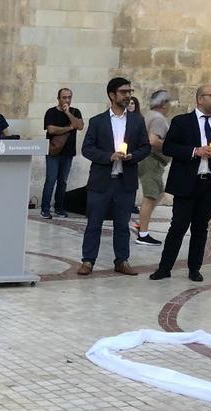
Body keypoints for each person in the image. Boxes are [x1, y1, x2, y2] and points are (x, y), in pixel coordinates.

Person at [149, 84, 211, 282]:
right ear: (200, 99)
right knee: (178, 226)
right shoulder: (182, 122)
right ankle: (164, 268)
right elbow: (170, 147)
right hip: (187, 182)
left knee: (201, 228)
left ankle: (194, 268)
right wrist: (195, 151)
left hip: (210, 183)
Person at [77, 77, 151, 276]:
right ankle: (88, 260)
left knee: (122, 224)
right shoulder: (97, 121)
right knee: (94, 223)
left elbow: (146, 148)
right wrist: (108, 156)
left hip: (125, 182)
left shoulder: (137, 121)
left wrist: (132, 156)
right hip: (101, 181)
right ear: (112, 95)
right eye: (124, 92)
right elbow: (87, 149)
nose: (128, 95)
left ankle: (122, 260)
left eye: (130, 91)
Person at [135, 89, 171, 247]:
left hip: (150, 160)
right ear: (163, 104)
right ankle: (143, 233)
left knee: (158, 193)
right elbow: (153, 140)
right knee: (151, 196)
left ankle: (142, 222)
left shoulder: (149, 115)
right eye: (168, 102)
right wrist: (171, 148)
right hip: (152, 160)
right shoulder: (158, 119)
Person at [40, 88, 84, 219]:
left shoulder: (75, 112)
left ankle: (59, 207)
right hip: (53, 152)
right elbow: (51, 129)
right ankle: (45, 208)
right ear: (58, 98)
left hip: (68, 152)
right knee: (50, 180)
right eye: (64, 97)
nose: (67, 100)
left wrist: (69, 114)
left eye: (69, 97)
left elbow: (80, 126)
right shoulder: (51, 112)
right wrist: (69, 127)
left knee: (63, 181)